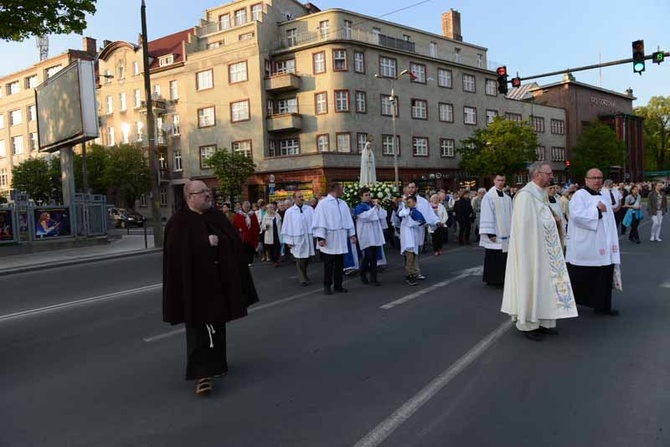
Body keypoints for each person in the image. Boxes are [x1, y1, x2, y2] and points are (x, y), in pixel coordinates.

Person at [162, 180, 259, 395]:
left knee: (217, 324)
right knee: (198, 329)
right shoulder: (178, 222)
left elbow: (232, 242)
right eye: (202, 192)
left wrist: (220, 243)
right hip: (194, 286)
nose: (208, 195)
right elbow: (175, 254)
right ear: (189, 197)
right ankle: (201, 374)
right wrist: (204, 244)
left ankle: (218, 365)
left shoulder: (216, 217)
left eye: (208, 191)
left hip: (218, 282)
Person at [501, 162, 578, 341]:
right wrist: (552, 221)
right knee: (531, 284)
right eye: (549, 173)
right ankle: (528, 323)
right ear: (537, 175)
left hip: (544, 251)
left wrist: (555, 220)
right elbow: (525, 228)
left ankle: (543, 321)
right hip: (531, 252)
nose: (552, 177)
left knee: (545, 286)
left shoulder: (540, 194)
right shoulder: (525, 196)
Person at [566, 168, 621, 316]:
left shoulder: (602, 195)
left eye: (599, 177)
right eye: (594, 177)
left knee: (603, 276)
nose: (597, 180)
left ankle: (602, 306)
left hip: (604, 244)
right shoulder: (579, 195)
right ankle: (569, 305)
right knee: (584, 277)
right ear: (586, 180)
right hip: (588, 246)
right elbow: (577, 216)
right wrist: (597, 211)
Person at [312, 182, 357, 295]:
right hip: (329, 237)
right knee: (329, 264)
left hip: (341, 237)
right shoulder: (323, 204)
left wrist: (352, 234)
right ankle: (327, 285)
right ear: (335, 190)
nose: (342, 191)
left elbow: (348, 219)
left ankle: (338, 285)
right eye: (341, 189)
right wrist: (320, 237)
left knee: (339, 264)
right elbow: (319, 220)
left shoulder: (343, 203)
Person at [479, 174, 513, 286]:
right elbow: (486, 215)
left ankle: (502, 279)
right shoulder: (489, 197)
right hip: (495, 232)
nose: (501, 182)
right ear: (494, 181)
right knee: (493, 256)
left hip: (506, 234)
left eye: (503, 180)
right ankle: (492, 279)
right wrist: (490, 233)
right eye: (498, 180)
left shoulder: (507, 198)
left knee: (503, 257)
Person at [401, 182, 439, 279]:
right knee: (410, 252)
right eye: (409, 187)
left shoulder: (422, 201)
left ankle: (414, 271)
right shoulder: (404, 201)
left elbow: (429, 213)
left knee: (417, 251)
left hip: (419, 230)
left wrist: (436, 221)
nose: (411, 189)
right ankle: (412, 272)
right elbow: (400, 214)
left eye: (413, 187)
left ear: (416, 188)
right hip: (408, 231)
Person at [353, 187, 387, 286]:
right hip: (366, 234)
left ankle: (373, 278)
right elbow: (366, 217)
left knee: (374, 257)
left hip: (375, 234)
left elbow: (383, 215)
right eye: (366, 195)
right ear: (361, 197)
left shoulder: (373, 205)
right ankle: (362, 272)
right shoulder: (359, 207)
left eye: (369, 195)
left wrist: (378, 207)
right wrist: (374, 208)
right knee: (368, 256)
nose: (368, 197)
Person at [281, 191, 315, 286]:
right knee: (299, 258)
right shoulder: (290, 212)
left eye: (302, 196)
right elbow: (286, 226)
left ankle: (304, 274)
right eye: (299, 197)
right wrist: (288, 240)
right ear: (294, 199)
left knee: (307, 257)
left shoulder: (309, 209)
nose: (301, 198)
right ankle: (302, 278)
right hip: (296, 238)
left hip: (307, 236)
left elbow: (314, 221)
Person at [398, 195, 425, 286]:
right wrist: (405, 206)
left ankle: (413, 273)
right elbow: (401, 214)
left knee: (413, 257)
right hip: (407, 239)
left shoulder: (416, 211)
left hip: (414, 238)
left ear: (414, 202)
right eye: (407, 202)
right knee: (409, 258)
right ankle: (409, 276)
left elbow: (421, 222)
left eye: (410, 202)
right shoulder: (405, 211)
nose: (408, 204)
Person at [232, 201, 261, 265]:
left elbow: (256, 224)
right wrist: (238, 229)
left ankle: (250, 261)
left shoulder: (253, 214)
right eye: (245, 206)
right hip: (242, 235)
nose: (246, 208)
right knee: (243, 249)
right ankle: (244, 261)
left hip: (252, 235)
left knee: (251, 249)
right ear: (242, 207)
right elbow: (234, 225)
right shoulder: (238, 215)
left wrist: (257, 232)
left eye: (248, 207)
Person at [260, 203, 282, 267]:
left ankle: (276, 261)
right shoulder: (265, 216)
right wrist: (266, 226)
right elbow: (262, 227)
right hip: (269, 235)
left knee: (277, 248)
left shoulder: (277, 215)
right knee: (271, 248)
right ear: (267, 209)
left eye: (272, 207)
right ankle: (273, 260)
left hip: (277, 234)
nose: (271, 209)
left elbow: (280, 225)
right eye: (269, 208)